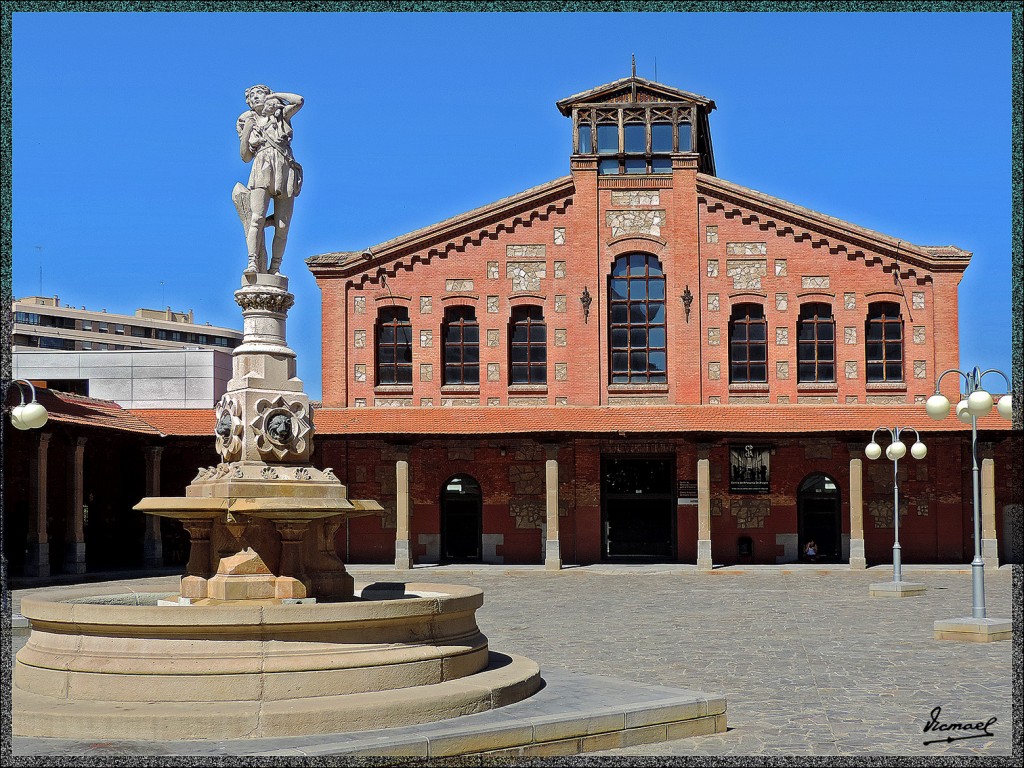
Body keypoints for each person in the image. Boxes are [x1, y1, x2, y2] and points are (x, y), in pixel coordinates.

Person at [236, 85, 304, 275]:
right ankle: (252, 263)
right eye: (252, 96)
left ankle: (275, 267)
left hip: (284, 166)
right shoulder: (246, 121)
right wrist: (248, 131)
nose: (256, 97)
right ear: (249, 102)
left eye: (261, 93)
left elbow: (299, 100)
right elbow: (245, 157)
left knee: (282, 226)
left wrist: (275, 96)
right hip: (262, 166)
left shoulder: (281, 115)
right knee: (256, 218)